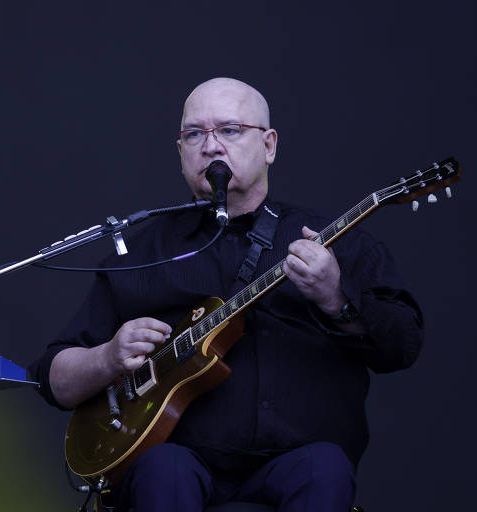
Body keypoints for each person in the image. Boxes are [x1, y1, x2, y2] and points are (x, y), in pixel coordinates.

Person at [30, 77, 423, 511]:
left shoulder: (332, 240)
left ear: (269, 145)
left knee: (324, 468)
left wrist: (335, 298)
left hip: (300, 470)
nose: (211, 146)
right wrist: (105, 358)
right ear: (180, 152)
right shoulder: (141, 253)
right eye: (194, 134)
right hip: (177, 470)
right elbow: (53, 378)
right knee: (165, 470)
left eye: (230, 130)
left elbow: (402, 346)